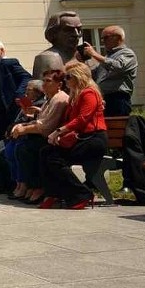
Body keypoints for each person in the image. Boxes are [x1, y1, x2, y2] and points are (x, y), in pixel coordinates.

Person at [38, 61, 107, 209]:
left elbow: (82, 119)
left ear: (78, 77)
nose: (65, 80)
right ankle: (53, 193)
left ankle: (82, 193)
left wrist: (58, 131)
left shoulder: (89, 93)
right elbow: (69, 119)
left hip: (93, 139)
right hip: (82, 138)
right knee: (46, 152)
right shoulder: (75, 96)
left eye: (68, 77)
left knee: (55, 159)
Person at [9, 69, 70, 203]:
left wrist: (23, 129)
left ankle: (37, 186)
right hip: (45, 136)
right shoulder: (51, 98)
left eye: (48, 81)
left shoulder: (59, 99)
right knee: (18, 147)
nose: (44, 84)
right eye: (43, 81)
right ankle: (26, 184)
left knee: (27, 148)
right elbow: (43, 119)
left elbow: (46, 127)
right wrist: (36, 114)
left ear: (59, 84)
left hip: (53, 138)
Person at [78, 25, 138, 117]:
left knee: (117, 128)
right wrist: (83, 62)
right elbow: (94, 75)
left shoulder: (128, 53)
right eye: (102, 38)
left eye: (106, 38)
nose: (102, 41)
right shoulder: (107, 57)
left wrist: (94, 54)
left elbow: (119, 66)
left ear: (119, 38)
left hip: (117, 99)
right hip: (102, 99)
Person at [32, 11, 82, 78]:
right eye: (69, 30)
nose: (76, 34)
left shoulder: (87, 57)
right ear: (54, 33)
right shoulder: (47, 57)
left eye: (79, 29)